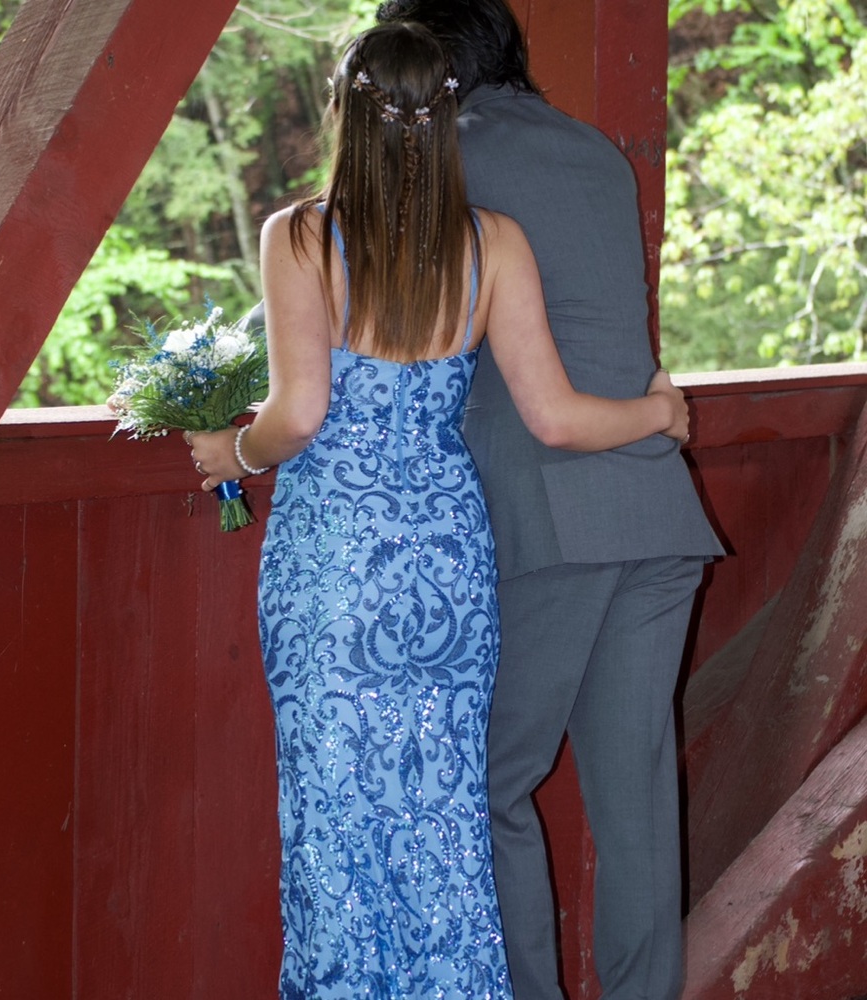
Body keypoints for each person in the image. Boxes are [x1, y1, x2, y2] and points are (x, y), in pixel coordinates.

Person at [186, 21, 689, 1000]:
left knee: (342, 807)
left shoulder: (298, 235)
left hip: (338, 560)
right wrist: (659, 411)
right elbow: (554, 410)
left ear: (346, 111)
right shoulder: (496, 234)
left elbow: (297, 413)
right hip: (448, 557)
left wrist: (227, 454)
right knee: (445, 811)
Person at [374, 4, 726, 999]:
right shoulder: (595, 153)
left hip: (544, 517)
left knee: (480, 789)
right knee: (637, 804)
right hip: (657, 511)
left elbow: (397, 343)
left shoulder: (440, 156)